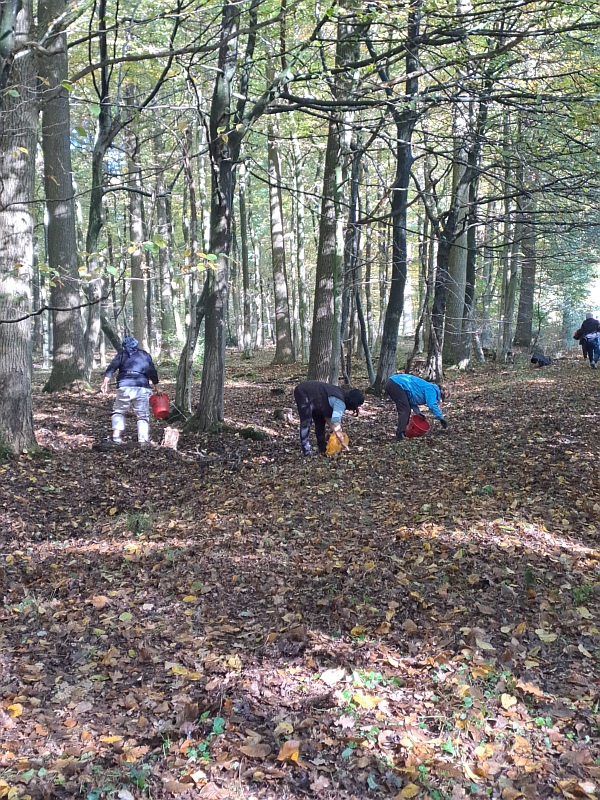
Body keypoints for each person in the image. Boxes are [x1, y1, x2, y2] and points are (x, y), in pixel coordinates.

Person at [101, 336, 159, 444]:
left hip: (124, 387)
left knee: (119, 411)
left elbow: (111, 368)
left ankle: (116, 438)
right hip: (142, 387)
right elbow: (152, 371)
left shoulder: (122, 354)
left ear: (124, 345)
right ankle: (143, 440)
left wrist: (105, 382)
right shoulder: (144, 355)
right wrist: (157, 388)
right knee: (142, 415)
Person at [293, 381, 364, 456]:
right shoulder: (340, 402)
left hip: (317, 401)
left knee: (320, 421)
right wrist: (342, 442)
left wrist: (338, 434)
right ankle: (306, 450)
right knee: (306, 421)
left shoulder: (341, 393)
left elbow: (328, 418)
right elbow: (335, 421)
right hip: (304, 391)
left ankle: (322, 448)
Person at [385, 373, 448, 440]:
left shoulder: (429, 387)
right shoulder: (432, 390)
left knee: (405, 409)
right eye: (442, 398)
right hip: (396, 384)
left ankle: (403, 433)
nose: (439, 401)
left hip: (393, 383)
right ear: (441, 393)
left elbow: (410, 400)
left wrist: (418, 413)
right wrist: (441, 418)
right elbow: (431, 405)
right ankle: (400, 435)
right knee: (405, 410)